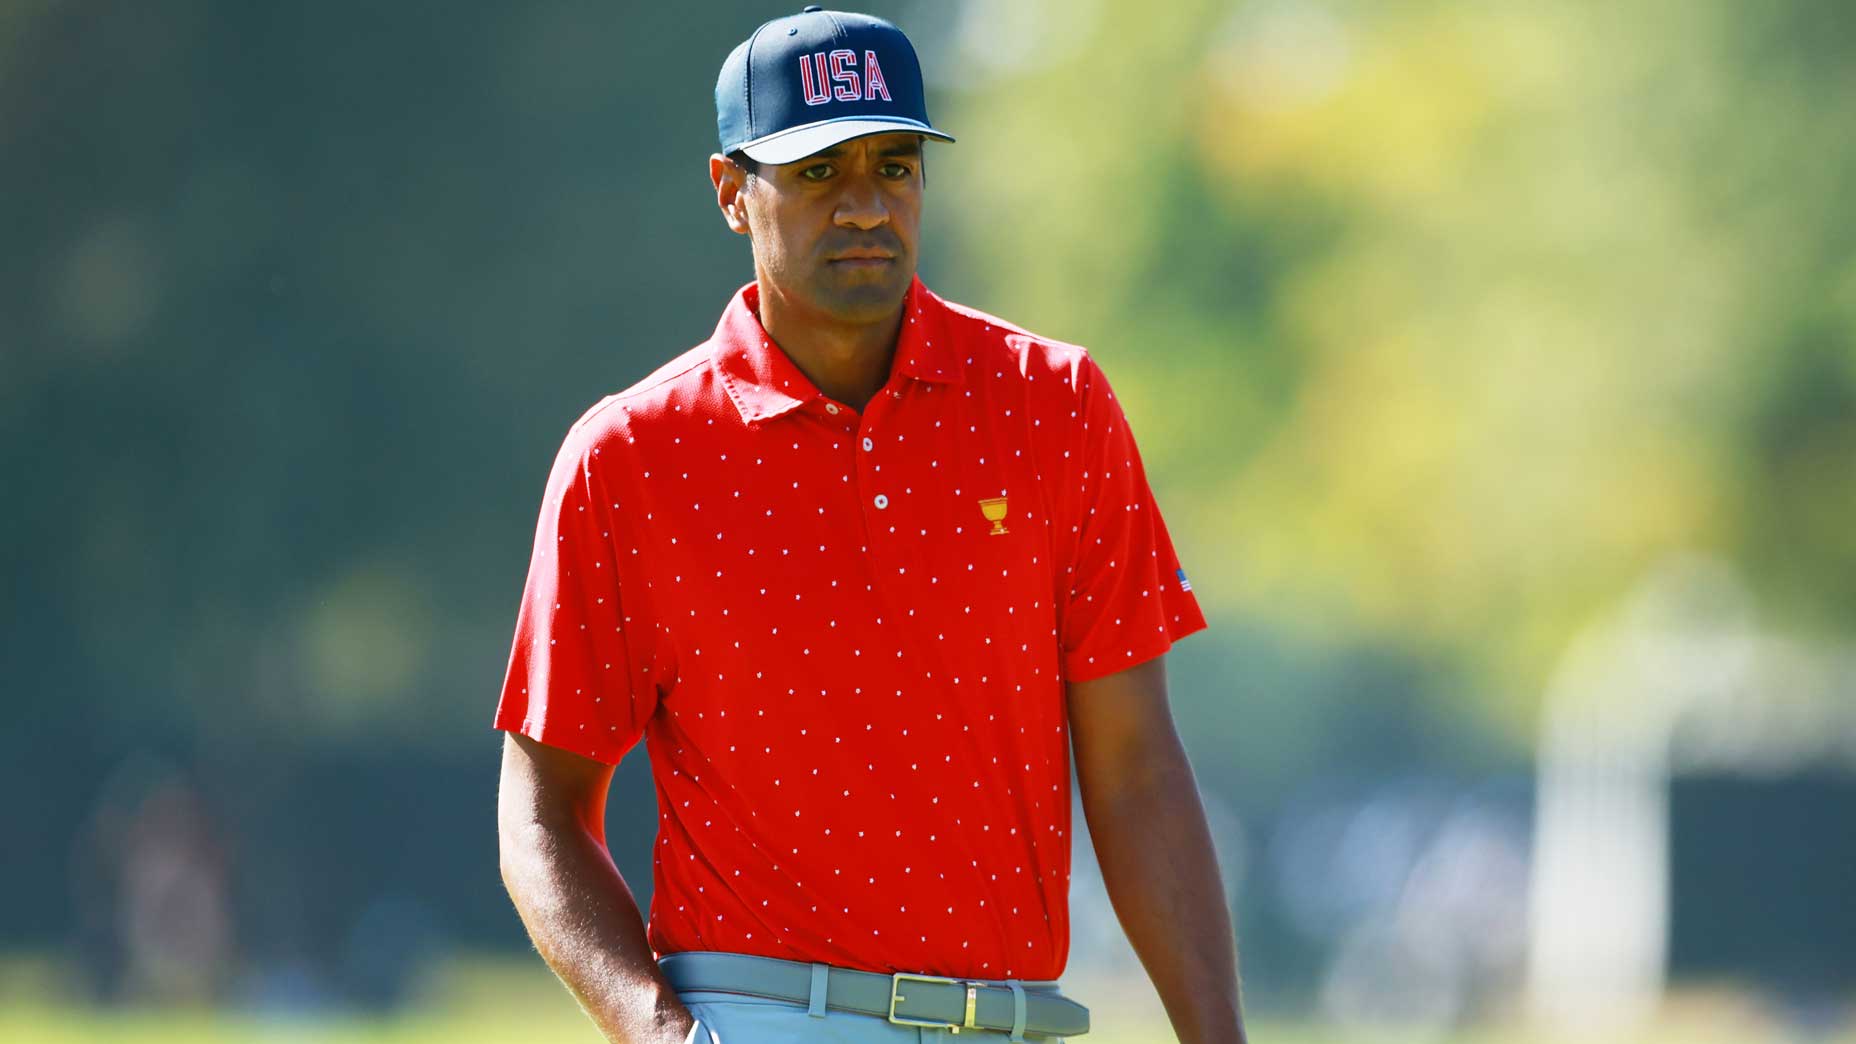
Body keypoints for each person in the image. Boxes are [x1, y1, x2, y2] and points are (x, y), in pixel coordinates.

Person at [493, 7, 1247, 1042]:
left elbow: (1136, 770)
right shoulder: (631, 455)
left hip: (1011, 1023)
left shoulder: (1052, 405)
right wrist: (658, 1032)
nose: (863, 205)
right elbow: (542, 810)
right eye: (815, 173)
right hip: (755, 1018)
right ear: (729, 192)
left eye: (894, 166)